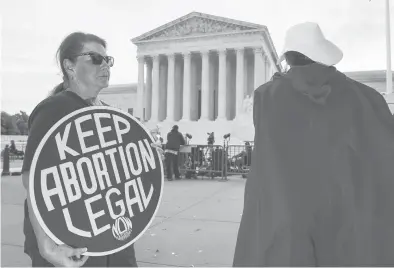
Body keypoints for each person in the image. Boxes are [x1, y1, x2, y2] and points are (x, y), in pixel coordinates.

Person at [233, 22, 394, 266]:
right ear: (322, 54)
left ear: (288, 57)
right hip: (346, 217)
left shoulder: (267, 97)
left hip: (288, 217)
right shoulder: (366, 97)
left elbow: (244, 137)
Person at [21, 32, 163, 267]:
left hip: (113, 236)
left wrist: (145, 158)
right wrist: (47, 248)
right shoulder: (56, 108)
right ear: (70, 66)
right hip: (71, 240)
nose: (105, 65)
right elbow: (34, 180)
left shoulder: (109, 112)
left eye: (108, 60)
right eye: (96, 58)